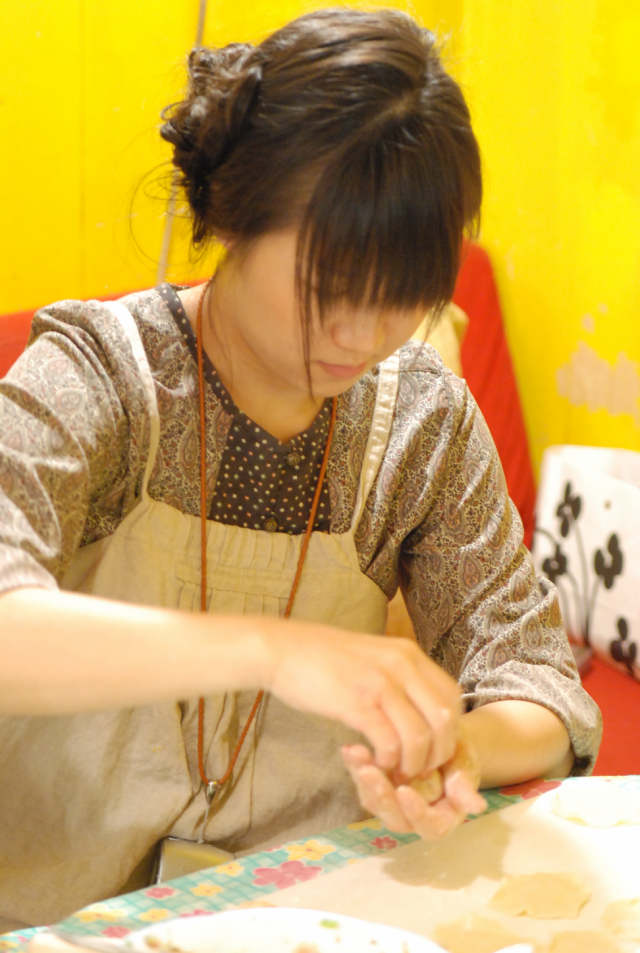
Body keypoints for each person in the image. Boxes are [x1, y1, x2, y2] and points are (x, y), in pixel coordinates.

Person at [0, 6, 600, 930]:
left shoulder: (423, 422)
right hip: (61, 914)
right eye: (329, 286)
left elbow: (538, 682)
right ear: (234, 214)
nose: (361, 335)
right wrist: (278, 651)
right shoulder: (104, 376)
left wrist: (456, 750)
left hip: (303, 917)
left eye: (401, 296)